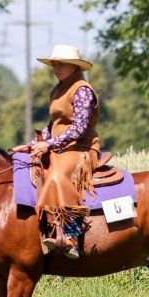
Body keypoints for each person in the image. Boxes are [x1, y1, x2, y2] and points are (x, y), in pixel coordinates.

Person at [11, 45, 101, 260]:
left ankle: (70, 236)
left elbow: (79, 128)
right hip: (61, 146)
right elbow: (52, 127)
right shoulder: (59, 89)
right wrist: (32, 144)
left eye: (60, 64)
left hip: (81, 148)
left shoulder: (82, 90)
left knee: (57, 174)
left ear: (73, 67)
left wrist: (49, 145)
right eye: (53, 64)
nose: (55, 68)